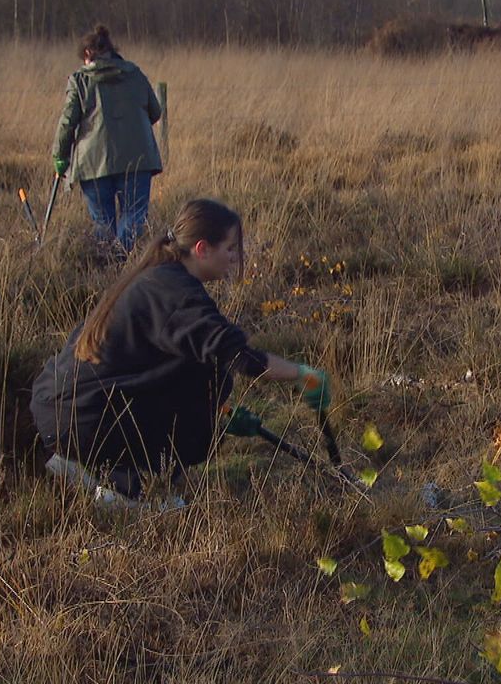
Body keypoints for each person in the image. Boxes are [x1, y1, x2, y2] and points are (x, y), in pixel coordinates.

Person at [30, 198, 331, 507]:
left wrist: (221, 415)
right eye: (230, 248)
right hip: (82, 418)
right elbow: (239, 357)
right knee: (212, 375)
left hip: (63, 408)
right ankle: (123, 492)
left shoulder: (158, 274)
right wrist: (302, 374)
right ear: (202, 249)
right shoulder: (176, 295)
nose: (234, 258)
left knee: (202, 372)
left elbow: (165, 370)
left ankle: (82, 462)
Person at [53, 24, 163, 257]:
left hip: (93, 164)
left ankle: (108, 266)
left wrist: (59, 156)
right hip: (138, 159)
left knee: (103, 222)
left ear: (86, 54)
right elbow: (156, 111)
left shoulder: (80, 80)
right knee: (133, 215)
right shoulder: (134, 74)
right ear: (112, 50)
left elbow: (67, 124)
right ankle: (123, 260)